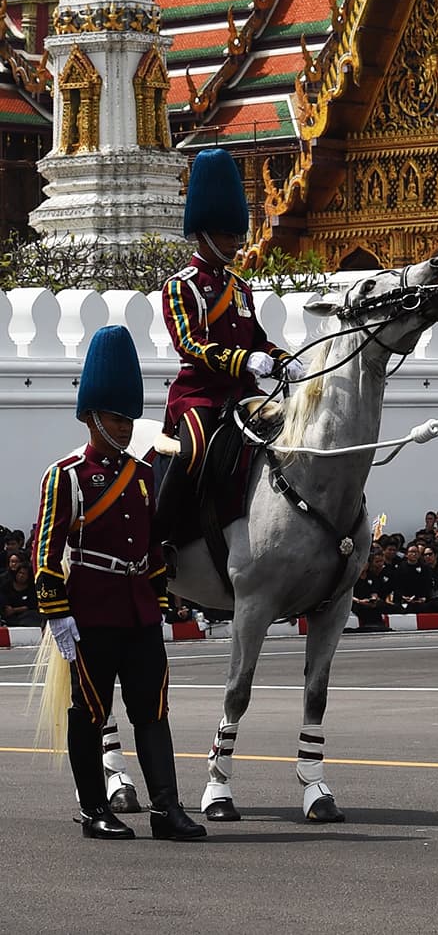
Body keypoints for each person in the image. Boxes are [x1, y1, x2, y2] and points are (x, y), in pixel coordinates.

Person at [32, 326, 207, 841]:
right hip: (90, 610)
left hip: (137, 612)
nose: (126, 428)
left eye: (129, 418)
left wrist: (158, 598)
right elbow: (45, 551)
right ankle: (93, 810)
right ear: (90, 417)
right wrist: (56, 613)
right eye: (115, 418)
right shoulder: (66, 476)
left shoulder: (139, 474)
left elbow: (149, 547)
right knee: (89, 711)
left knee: (153, 711)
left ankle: (166, 809)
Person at [157, 149, 295, 548]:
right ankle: (164, 538)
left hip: (242, 394)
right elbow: (189, 344)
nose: (236, 242)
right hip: (199, 394)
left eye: (236, 234)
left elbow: (258, 340)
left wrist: (285, 360)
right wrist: (243, 361)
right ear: (203, 233)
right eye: (228, 235)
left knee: (287, 434)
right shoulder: (181, 285)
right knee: (192, 453)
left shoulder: (240, 287)